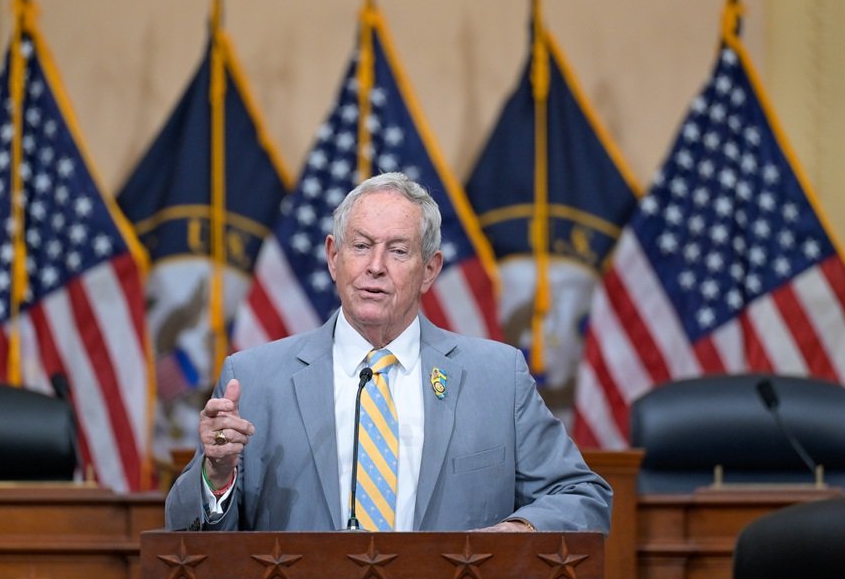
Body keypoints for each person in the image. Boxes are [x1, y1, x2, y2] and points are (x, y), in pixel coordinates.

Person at [164, 172, 611, 533]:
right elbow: (184, 532)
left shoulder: (496, 377)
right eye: (360, 247)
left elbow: (584, 498)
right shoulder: (256, 380)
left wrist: (517, 533)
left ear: (429, 270)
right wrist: (216, 477)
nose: (375, 266)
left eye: (398, 250)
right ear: (333, 257)